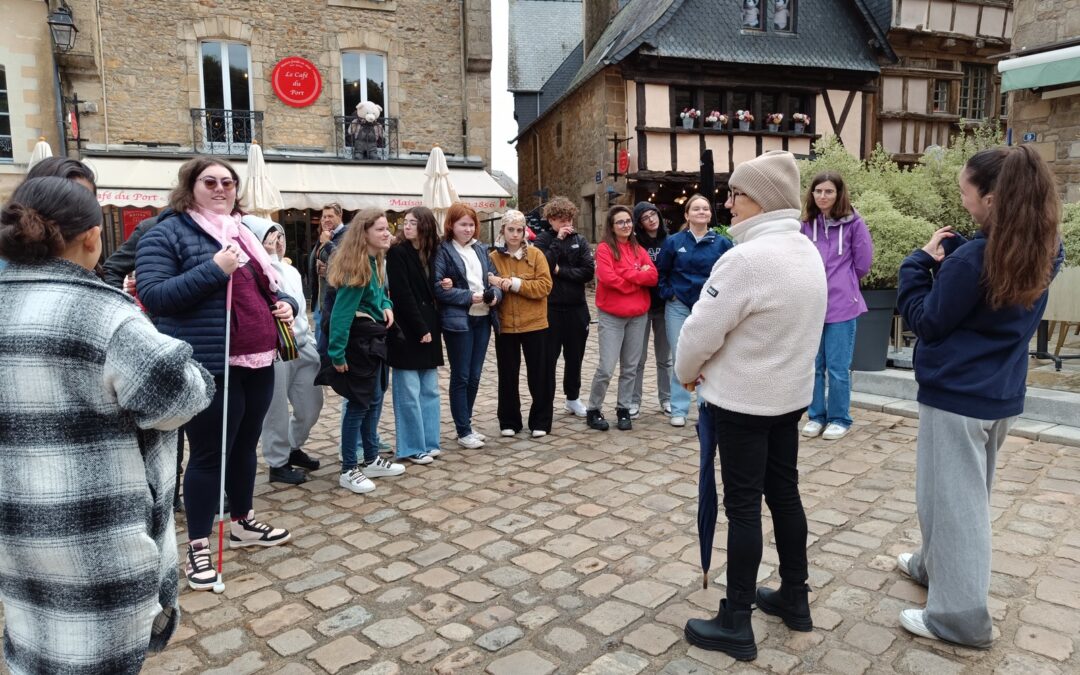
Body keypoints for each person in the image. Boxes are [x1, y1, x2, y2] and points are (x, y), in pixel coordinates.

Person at [0, 177, 213, 673]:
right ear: (93, 236)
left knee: (34, 642)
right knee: (99, 655)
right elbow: (178, 395)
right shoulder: (103, 314)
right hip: (94, 533)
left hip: (15, 522)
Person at [895, 145, 1063, 647]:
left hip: (956, 398)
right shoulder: (1042, 248)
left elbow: (926, 320)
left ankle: (959, 618)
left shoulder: (973, 259)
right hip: (998, 392)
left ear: (991, 198)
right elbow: (992, 300)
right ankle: (934, 568)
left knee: (955, 504)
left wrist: (918, 264)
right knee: (957, 496)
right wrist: (960, 259)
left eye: (966, 192)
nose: (962, 199)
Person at [677, 151, 827, 661]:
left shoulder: (745, 258)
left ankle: (736, 619)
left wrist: (685, 373)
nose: (728, 203)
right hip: (787, 399)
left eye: (736, 193)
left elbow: (699, 332)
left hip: (742, 401)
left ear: (760, 199)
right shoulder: (807, 250)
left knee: (742, 507)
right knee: (784, 496)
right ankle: (795, 597)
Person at [136, 157, 296, 591]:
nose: (221, 189)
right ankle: (200, 545)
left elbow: (269, 288)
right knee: (209, 454)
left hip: (258, 357)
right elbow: (155, 296)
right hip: (210, 363)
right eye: (210, 182)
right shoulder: (165, 232)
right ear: (190, 186)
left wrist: (287, 306)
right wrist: (214, 269)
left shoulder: (245, 231)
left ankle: (242, 520)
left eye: (228, 182)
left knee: (246, 446)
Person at [323, 209, 406, 493]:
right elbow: (340, 316)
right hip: (357, 345)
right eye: (381, 229)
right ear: (365, 234)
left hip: (373, 342)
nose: (388, 234)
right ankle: (349, 468)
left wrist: (386, 305)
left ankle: (370, 458)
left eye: (387, 228)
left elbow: (380, 293)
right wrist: (337, 355)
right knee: (358, 405)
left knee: (372, 401)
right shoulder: (356, 268)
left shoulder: (374, 261)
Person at [242, 216, 324, 485]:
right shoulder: (253, 270)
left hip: (302, 344)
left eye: (280, 237)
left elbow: (300, 308)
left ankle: (293, 445)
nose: (278, 242)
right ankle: (277, 462)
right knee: (275, 409)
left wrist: (310, 339)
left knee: (311, 403)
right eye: (270, 237)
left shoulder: (292, 271)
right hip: (274, 348)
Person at [799, 172, 873, 441]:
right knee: (814, 364)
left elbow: (863, 263)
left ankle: (840, 418)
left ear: (839, 194)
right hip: (812, 304)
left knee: (838, 367)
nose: (823, 196)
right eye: (818, 191)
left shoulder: (855, 224)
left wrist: (844, 282)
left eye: (829, 191)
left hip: (842, 305)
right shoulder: (807, 224)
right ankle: (816, 415)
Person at [657, 193, 733, 427]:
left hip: (708, 308)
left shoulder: (722, 243)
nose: (701, 212)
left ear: (710, 214)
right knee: (680, 355)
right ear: (687, 214)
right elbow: (661, 273)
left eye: (705, 209)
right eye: (696, 209)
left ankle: (705, 406)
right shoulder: (674, 242)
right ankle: (679, 408)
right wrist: (669, 294)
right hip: (678, 305)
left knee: (707, 355)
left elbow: (729, 275)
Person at [434, 202, 502, 448]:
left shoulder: (482, 249)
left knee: (474, 376)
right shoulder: (443, 251)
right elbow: (437, 289)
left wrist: (495, 295)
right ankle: (463, 430)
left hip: (483, 318)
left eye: (472, 224)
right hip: (459, 322)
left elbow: (493, 279)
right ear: (451, 225)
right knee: (461, 376)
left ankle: (467, 423)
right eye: (463, 224)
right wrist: (467, 296)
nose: (468, 229)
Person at [586, 205, 658, 432]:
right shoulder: (606, 249)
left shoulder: (639, 248)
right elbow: (608, 279)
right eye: (620, 222)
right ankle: (594, 408)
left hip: (638, 316)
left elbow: (653, 276)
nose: (625, 225)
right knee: (606, 367)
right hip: (612, 316)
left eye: (628, 221)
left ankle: (623, 408)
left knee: (631, 367)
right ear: (612, 226)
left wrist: (627, 274)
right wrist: (637, 278)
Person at [386, 207, 444, 464]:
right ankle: (411, 447)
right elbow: (402, 295)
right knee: (408, 391)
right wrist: (421, 328)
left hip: (430, 323)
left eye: (412, 222)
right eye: (405, 222)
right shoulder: (398, 253)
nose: (406, 226)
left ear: (425, 226)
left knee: (430, 390)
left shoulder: (433, 252)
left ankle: (430, 441)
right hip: (407, 328)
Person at [488, 209, 554, 437]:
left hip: (535, 323)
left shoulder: (536, 255)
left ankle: (541, 421)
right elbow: (487, 283)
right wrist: (493, 283)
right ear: (503, 231)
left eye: (519, 230)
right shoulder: (493, 257)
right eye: (511, 230)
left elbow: (545, 286)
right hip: (506, 325)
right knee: (507, 374)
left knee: (539, 374)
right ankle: (509, 420)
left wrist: (515, 284)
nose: (515, 234)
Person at [533, 197, 595, 418]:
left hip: (577, 308)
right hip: (550, 308)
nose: (566, 224)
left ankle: (573, 398)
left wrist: (561, 272)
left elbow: (588, 272)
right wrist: (558, 242)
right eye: (561, 220)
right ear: (551, 220)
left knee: (575, 356)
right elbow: (542, 267)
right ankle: (545, 400)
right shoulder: (542, 240)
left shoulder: (580, 240)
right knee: (548, 358)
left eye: (569, 219)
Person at [630, 201, 671, 419]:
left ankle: (666, 399)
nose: (651, 219)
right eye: (645, 217)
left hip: (665, 306)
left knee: (665, 358)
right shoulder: (636, 243)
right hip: (642, 306)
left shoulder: (669, 240)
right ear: (640, 223)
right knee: (638, 358)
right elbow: (633, 271)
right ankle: (634, 401)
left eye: (653, 214)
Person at [311, 202, 345, 353]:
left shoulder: (346, 235)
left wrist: (327, 243)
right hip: (322, 296)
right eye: (324, 217)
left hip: (335, 297)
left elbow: (345, 262)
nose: (326, 219)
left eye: (330, 216)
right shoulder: (325, 235)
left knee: (325, 343)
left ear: (340, 216)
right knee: (320, 338)